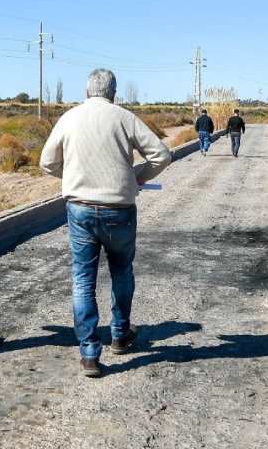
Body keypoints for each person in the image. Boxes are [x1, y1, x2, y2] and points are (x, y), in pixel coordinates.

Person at [40, 69, 173, 378]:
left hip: (81, 209)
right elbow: (162, 155)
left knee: (83, 278)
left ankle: (89, 353)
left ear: (87, 91)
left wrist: (73, 177)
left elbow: (47, 162)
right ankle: (120, 333)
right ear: (114, 93)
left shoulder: (70, 118)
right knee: (121, 271)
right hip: (120, 208)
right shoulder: (124, 118)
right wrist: (137, 177)